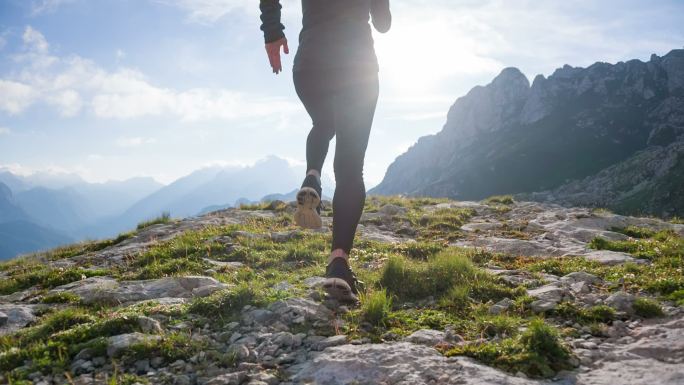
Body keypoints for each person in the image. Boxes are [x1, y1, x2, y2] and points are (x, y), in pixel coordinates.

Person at [259, 0, 391, 302]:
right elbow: (383, 24)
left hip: (310, 64)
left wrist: (272, 32)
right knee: (349, 170)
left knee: (323, 123)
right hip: (357, 68)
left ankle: (312, 176)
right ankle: (338, 263)